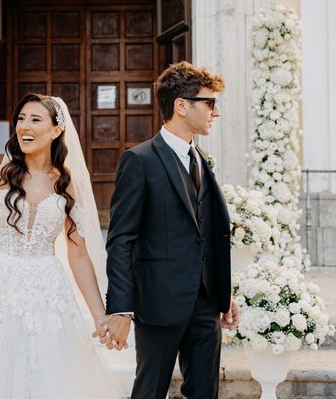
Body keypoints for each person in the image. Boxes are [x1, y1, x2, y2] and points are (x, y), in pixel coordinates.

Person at [0, 93, 122, 398]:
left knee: (46, 373)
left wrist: (100, 316)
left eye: (35, 119)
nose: (24, 126)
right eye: (21, 119)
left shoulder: (66, 184)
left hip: (46, 291)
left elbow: (78, 255)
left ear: (57, 130)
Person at [103, 62, 240, 398]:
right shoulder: (139, 161)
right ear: (182, 105)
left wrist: (224, 290)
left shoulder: (201, 160)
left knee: (205, 392)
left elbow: (205, 233)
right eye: (209, 103)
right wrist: (120, 308)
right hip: (158, 303)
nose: (216, 112)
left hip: (206, 305)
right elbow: (121, 240)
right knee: (150, 391)